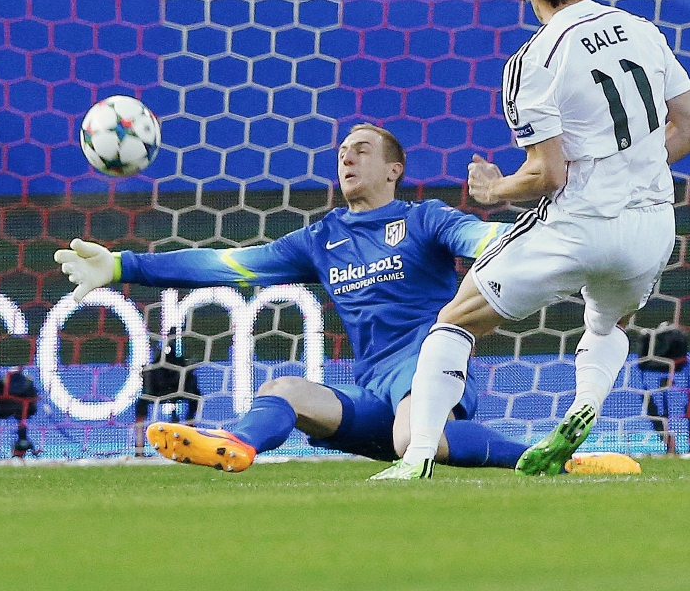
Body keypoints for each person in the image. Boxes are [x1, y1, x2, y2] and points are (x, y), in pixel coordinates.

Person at [56, 123, 639, 476]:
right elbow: (228, 264)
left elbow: (482, 238)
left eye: (361, 149)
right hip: (372, 392)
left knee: (417, 441)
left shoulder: (424, 219)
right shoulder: (321, 238)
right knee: (284, 389)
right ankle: (233, 445)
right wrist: (123, 265)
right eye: (342, 152)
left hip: (426, 374)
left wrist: (534, 241)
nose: (347, 158)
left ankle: (555, 459)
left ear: (395, 169)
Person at [376, 0, 690, 480]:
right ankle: (584, 411)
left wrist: (493, 189)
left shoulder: (535, 59)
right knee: (607, 326)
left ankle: (414, 459)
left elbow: (546, 174)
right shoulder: (642, 31)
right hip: (652, 229)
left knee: (454, 322)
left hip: (578, 225)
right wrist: (637, 171)